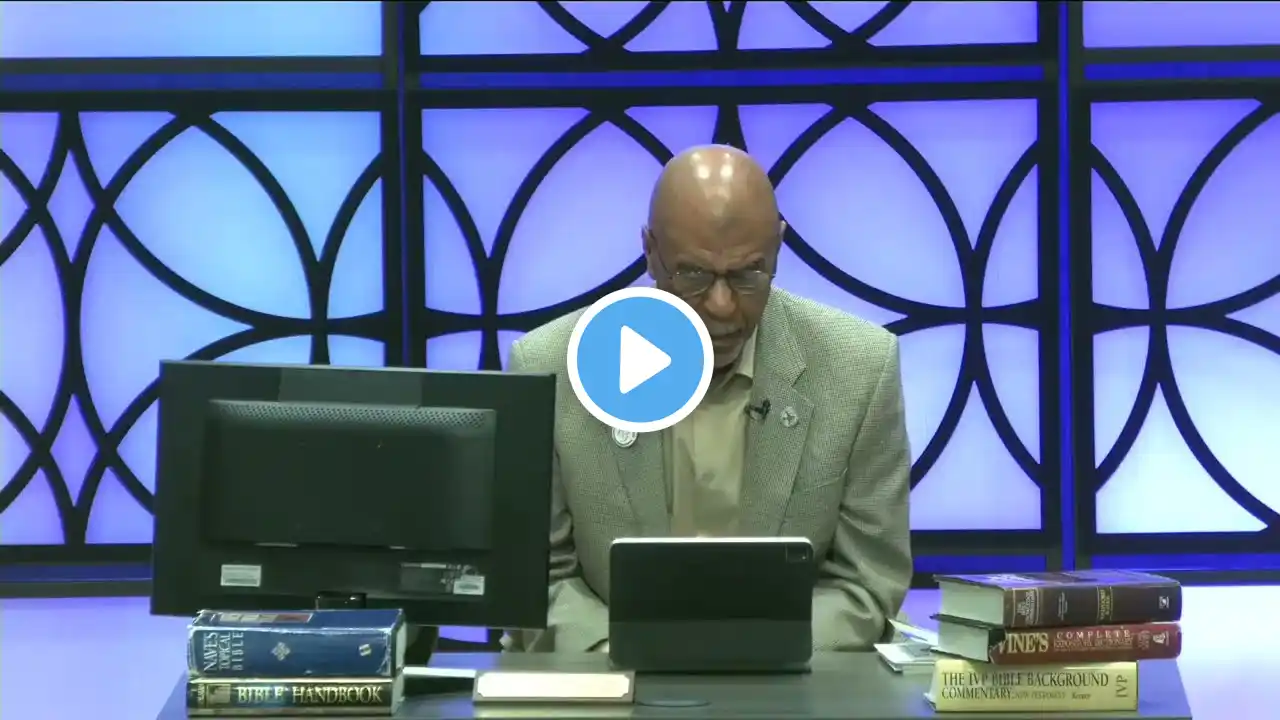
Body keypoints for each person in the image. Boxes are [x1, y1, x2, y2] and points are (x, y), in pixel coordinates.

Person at [504, 145, 912, 652]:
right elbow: (536, 579)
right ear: (650, 252)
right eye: (694, 275)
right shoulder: (550, 365)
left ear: (778, 248)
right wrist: (624, 653)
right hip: (608, 674)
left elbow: (866, 582)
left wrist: (749, 654)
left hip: (789, 681)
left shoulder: (859, 369)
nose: (722, 306)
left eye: (747, 275)